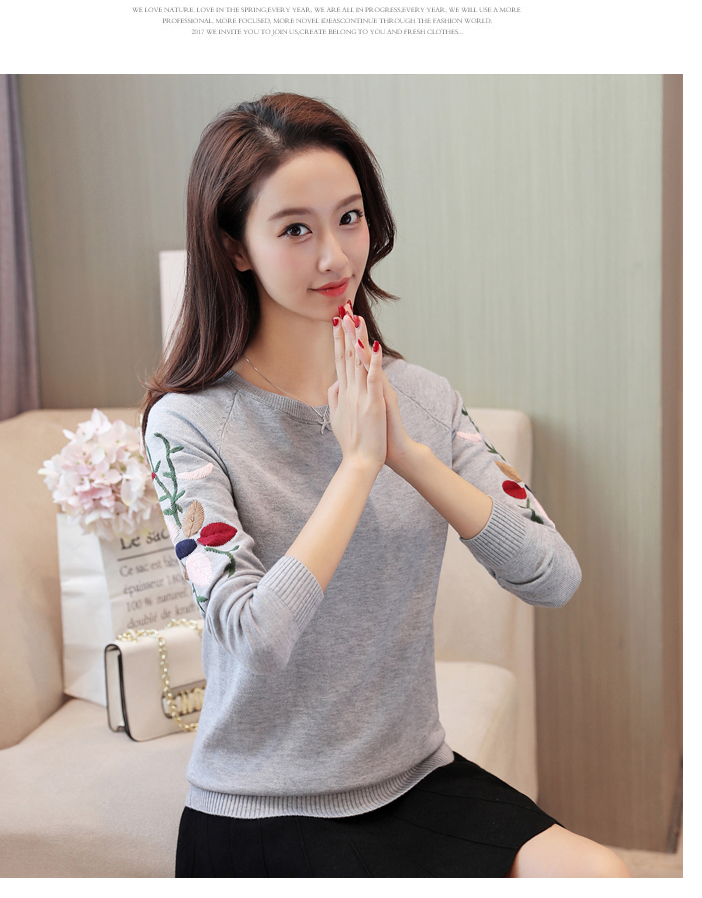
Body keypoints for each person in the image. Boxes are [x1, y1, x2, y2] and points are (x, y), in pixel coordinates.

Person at [141, 92, 629, 878]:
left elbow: (553, 577)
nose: (335, 257)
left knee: (602, 876)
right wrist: (358, 465)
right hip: (260, 807)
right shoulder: (187, 426)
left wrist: (407, 453)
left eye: (349, 217)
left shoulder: (423, 399)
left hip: (416, 780)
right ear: (234, 247)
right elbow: (253, 638)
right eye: (295, 229)